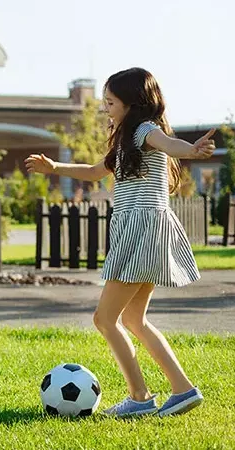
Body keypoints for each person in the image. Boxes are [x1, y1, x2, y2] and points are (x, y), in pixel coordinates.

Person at [26, 67, 215, 417]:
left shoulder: (145, 130)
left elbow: (171, 146)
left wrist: (193, 149)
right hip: (140, 232)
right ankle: (183, 389)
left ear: (132, 102)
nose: (105, 109)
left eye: (110, 102)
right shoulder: (125, 139)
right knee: (133, 321)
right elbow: (96, 171)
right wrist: (55, 166)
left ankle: (140, 397)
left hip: (141, 230)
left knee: (104, 318)